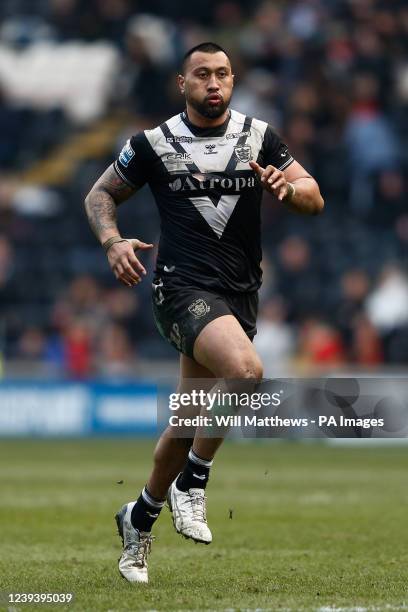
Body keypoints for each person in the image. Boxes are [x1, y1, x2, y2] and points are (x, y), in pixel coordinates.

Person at [84, 42, 324, 583]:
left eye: (222, 74)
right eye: (202, 75)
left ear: (233, 80)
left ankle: (139, 516)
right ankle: (195, 480)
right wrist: (112, 242)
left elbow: (314, 196)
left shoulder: (259, 136)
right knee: (246, 372)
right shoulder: (154, 143)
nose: (213, 83)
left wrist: (290, 188)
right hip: (180, 290)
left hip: (239, 295)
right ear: (182, 83)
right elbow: (99, 195)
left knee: (188, 420)